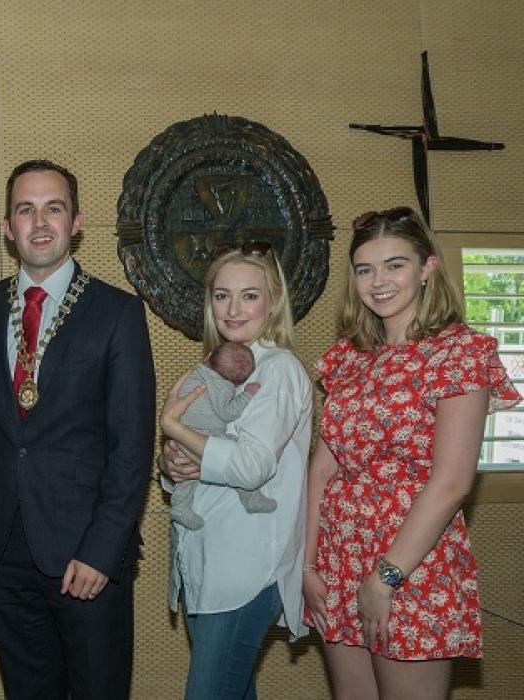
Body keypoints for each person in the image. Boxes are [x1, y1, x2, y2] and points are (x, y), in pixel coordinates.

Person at [303, 207, 519, 699]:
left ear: (427, 268)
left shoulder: (459, 353)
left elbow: (452, 481)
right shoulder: (350, 358)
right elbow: (322, 467)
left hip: (410, 563)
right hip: (340, 557)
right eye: (365, 269)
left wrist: (384, 579)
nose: (379, 282)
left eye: (394, 265)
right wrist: (308, 563)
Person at [0, 159, 156, 699]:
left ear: (76, 222)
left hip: (85, 551)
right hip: (2, 550)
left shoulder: (117, 313)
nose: (39, 222)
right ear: (7, 226)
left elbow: (132, 447)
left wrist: (102, 549)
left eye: (54, 208)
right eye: (26, 209)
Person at [159, 240, 313, 699]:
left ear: (273, 302)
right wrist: (171, 463)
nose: (233, 308)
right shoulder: (209, 367)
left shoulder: (280, 369)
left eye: (249, 295)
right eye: (222, 295)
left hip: (246, 570)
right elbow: (183, 466)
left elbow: (249, 467)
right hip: (202, 563)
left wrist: (171, 427)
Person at [170, 340, 274, 531]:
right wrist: (246, 395)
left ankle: (180, 506)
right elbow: (227, 412)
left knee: (186, 476)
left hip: (181, 434)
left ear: (208, 357)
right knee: (235, 452)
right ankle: (249, 496)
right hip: (205, 434)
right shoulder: (222, 385)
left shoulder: (195, 373)